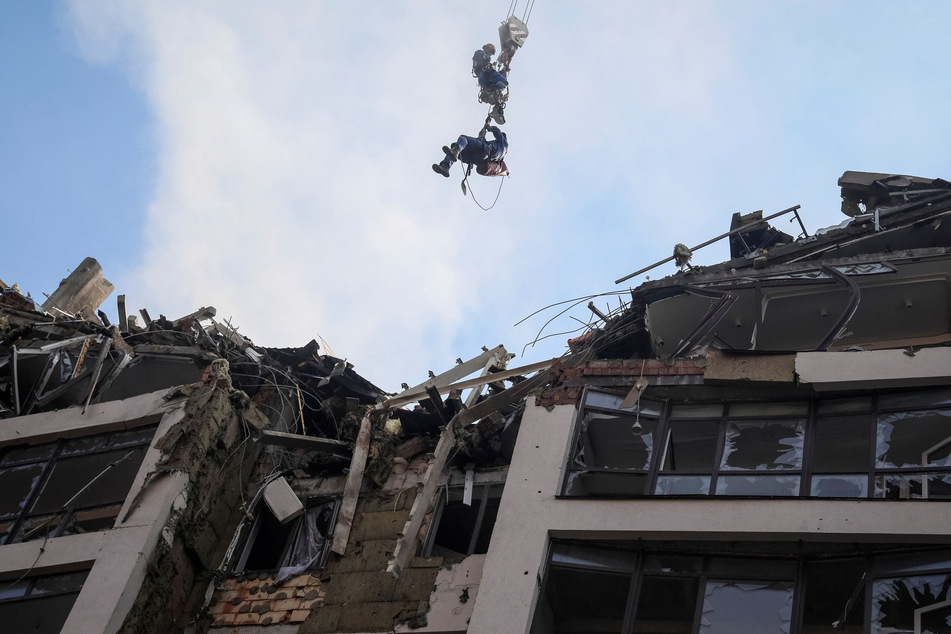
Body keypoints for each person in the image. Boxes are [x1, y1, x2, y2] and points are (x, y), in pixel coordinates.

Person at [432, 126, 508, 178]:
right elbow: (481, 140)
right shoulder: (498, 156)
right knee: (457, 149)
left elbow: (497, 131)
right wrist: (483, 132)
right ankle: (445, 167)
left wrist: (489, 128)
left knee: (464, 138)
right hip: (478, 158)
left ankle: (454, 153)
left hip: (483, 151)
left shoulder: (504, 144)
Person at [472, 43, 508, 124]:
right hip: (484, 75)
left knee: (499, 92)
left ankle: (497, 110)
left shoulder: (486, 59)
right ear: (486, 48)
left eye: (492, 52)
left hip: (484, 80)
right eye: (490, 51)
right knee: (504, 83)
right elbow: (480, 59)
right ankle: (492, 91)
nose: (490, 53)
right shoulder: (479, 53)